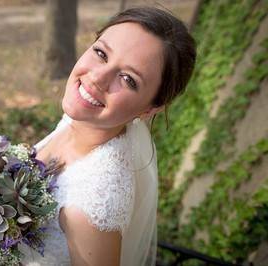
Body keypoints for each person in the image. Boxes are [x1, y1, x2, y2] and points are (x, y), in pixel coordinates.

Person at [19, 6, 196, 266]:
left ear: (150, 109)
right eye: (101, 53)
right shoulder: (80, 118)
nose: (98, 78)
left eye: (128, 79)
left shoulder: (91, 202)